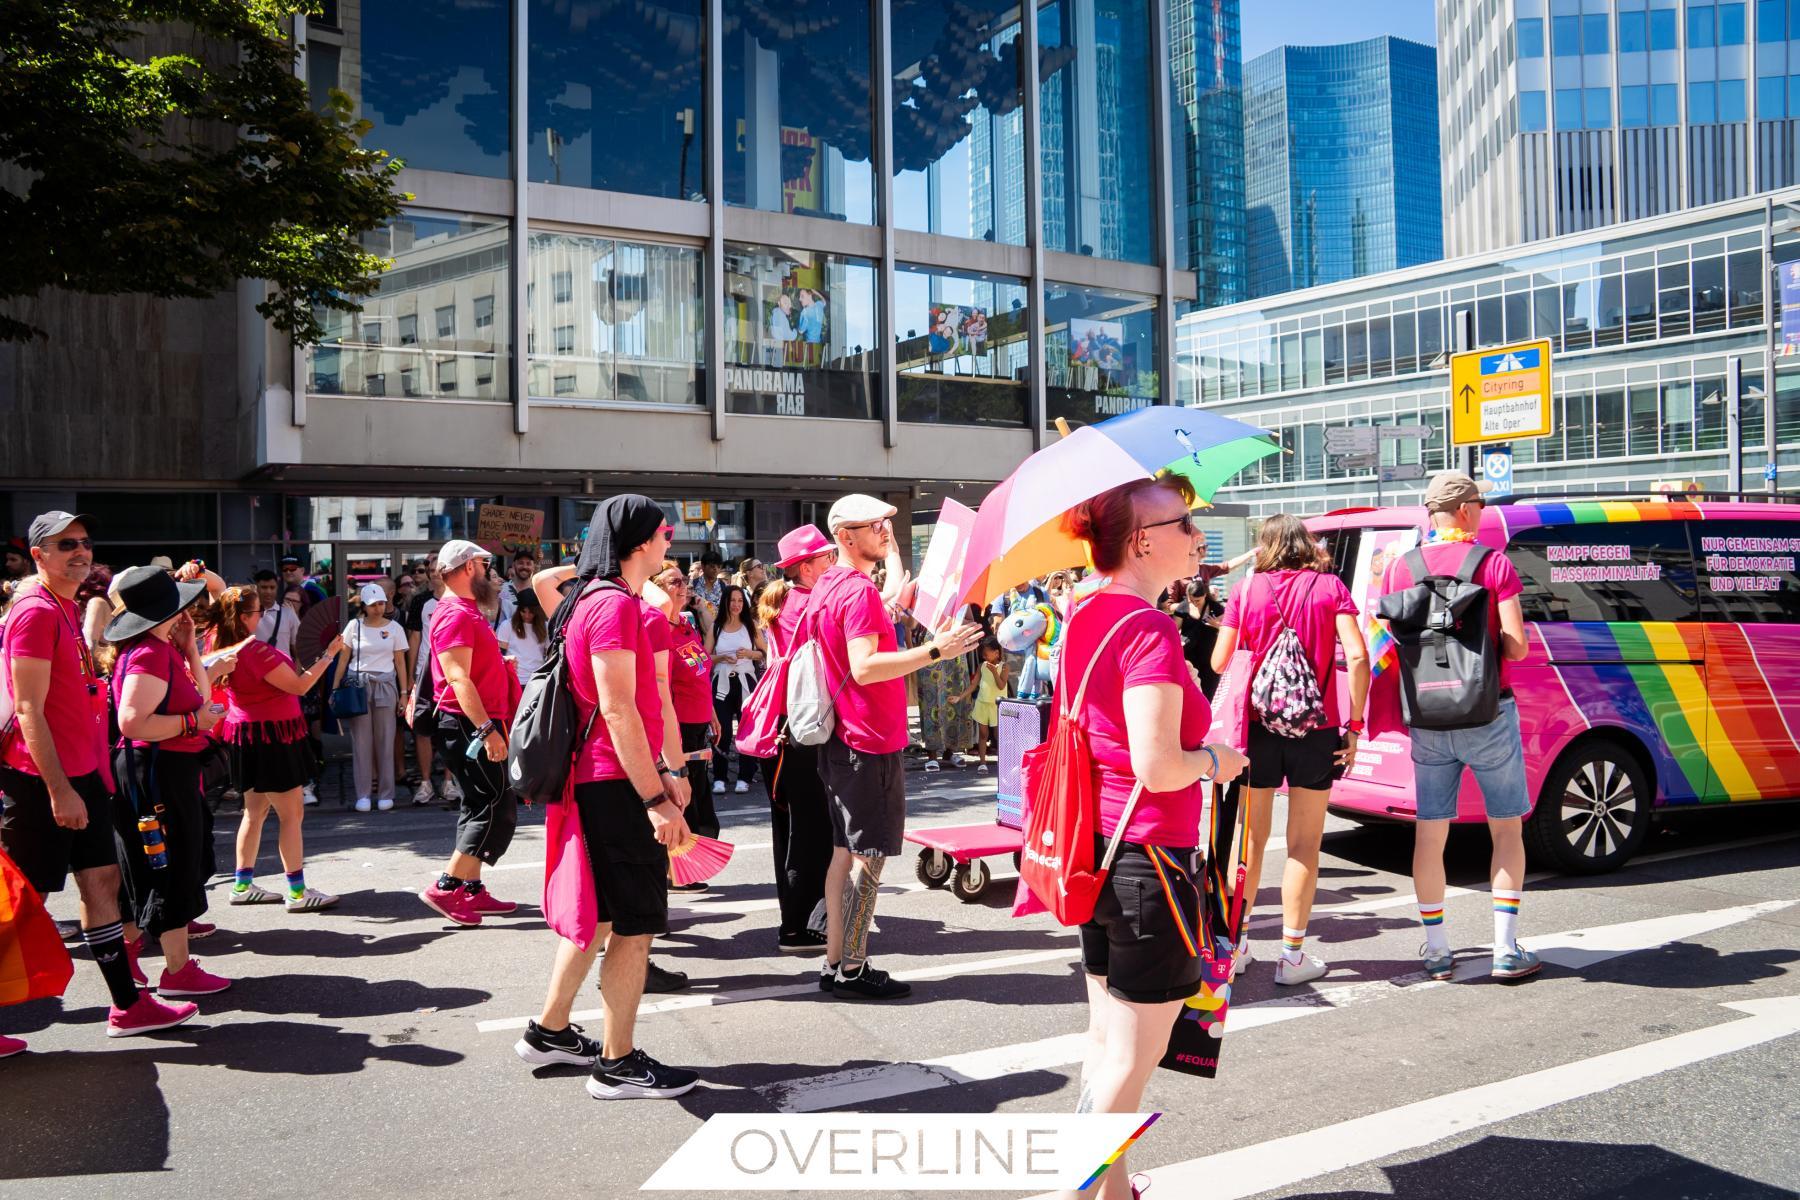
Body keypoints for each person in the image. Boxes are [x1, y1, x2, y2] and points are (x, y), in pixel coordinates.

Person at [1054, 477, 1248, 1200]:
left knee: (1108, 1045)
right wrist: (1217, 760)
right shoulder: (1148, 629)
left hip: (1100, 851)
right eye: (1184, 524)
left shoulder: (1086, 613)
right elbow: (1158, 766)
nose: (1197, 536)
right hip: (1151, 859)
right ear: (1141, 541)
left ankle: (1113, 1193)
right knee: (1132, 1060)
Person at [514, 495, 699, 1099]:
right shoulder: (613, 604)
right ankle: (618, 1065)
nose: (670, 539)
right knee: (634, 928)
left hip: (601, 779)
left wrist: (662, 773)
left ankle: (550, 1030)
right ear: (640, 541)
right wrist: (655, 798)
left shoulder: (589, 599)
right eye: (664, 531)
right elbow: (618, 709)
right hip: (614, 784)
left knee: (600, 919)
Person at [0, 513, 200, 1037]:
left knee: (102, 883)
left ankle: (128, 1006)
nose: (80, 552)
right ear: (38, 555)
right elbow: (28, 707)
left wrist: (91, 780)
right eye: (66, 544)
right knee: (21, 904)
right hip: (42, 779)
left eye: (85, 543)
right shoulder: (35, 611)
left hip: (82, 775)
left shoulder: (66, 606)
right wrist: (59, 790)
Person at [810, 495, 984, 999]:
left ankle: (836, 964)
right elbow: (864, 667)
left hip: (843, 740)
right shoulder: (856, 591)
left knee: (844, 855)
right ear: (846, 536)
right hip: (868, 742)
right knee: (867, 860)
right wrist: (936, 649)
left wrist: (896, 603)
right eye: (875, 525)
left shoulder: (830, 584)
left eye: (887, 522)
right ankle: (853, 968)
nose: (886, 530)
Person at [1379, 471, 1538, 982]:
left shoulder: (1400, 568)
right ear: (1467, 510)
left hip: (1427, 714)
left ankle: (1437, 950)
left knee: (1430, 833)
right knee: (1506, 827)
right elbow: (1516, 646)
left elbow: (1393, 641)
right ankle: (1505, 949)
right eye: (1481, 505)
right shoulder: (1493, 563)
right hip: (1488, 711)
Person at [1210, 515, 1370, 986]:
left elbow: (1219, 661)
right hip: (1316, 729)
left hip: (1257, 731)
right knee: (1304, 845)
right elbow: (1358, 656)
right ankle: (1292, 956)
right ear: (1307, 546)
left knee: (1250, 842)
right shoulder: (1330, 587)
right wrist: (1354, 726)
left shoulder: (1247, 590)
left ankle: (1236, 947)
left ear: (1264, 548)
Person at [106, 565, 237, 998]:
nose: (189, 612)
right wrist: (190, 723)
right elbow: (131, 722)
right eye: (181, 605)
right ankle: (177, 972)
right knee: (170, 866)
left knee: (156, 864)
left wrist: (191, 649)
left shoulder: (159, 648)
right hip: (158, 771)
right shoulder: (149, 652)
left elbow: (202, 702)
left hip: (162, 768)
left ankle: (146, 961)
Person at [209, 585, 344, 912]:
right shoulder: (255, 652)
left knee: (254, 812)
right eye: (259, 611)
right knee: (291, 814)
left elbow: (217, 588)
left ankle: (242, 885)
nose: (262, 616)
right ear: (244, 617)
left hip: (247, 735)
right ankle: (297, 892)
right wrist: (329, 655)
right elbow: (300, 685)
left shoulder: (222, 646)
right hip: (271, 739)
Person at [419, 539, 521, 926]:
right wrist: (487, 729)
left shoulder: (465, 610)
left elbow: (468, 668)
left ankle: (471, 889)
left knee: (478, 803)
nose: (490, 573)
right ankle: (446, 887)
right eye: (484, 565)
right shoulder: (455, 613)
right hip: (469, 725)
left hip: (474, 723)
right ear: (467, 568)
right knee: (492, 805)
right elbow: (457, 677)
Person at [761, 524, 837, 954]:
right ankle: (800, 927)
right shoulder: (810, 603)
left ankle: (795, 920)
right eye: (827, 557)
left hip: (782, 729)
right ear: (806, 567)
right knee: (812, 831)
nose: (833, 563)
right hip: (802, 729)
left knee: (791, 830)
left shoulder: (785, 601)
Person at [653, 566, 718, 840]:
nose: (683, 586)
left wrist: (711, 712)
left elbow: (699, 671)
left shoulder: (685, 623)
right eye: (674, 582)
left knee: (702, 803)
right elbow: (659, 688)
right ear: (657, 589)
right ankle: (682, 859)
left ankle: (694, 855)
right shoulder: (657, 627)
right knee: (688, 805)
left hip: (699, 724)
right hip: (679, 729)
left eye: (684, 581)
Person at [330, 583, 408, 813]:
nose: (378, 608)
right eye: (373, 604)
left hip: (385, 684)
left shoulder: (395, 628)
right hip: (358, 686)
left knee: (386, 740)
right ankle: (363, 794)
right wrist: (335, 688)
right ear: (364, 605)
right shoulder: (353, 626)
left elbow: (400, 662)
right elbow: (343, 659)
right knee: (361, 742)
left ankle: (386, 793)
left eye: (381, 603)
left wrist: (404, 694)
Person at [403, 552, 452, 807]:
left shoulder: (457, 599)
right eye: (430, 572)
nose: (434, 575)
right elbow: (414, 638)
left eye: (437, 571)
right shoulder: (420, 601)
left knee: (449, 728)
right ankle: (425, 783)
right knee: (422, 729)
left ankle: (449, 781)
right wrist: (411, 675)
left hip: (450, 673)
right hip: (425, 674)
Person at [707, 584, 764, 795]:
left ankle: (745, 776)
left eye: (740, 600)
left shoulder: (751, 626)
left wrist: (749, 654)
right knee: (721, 730)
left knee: (746, 729)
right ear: (725, 602)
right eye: (732, 600)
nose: (736, 605)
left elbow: (764, 652)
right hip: (721, 682)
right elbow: (705, 657)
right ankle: (719, 777)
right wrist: (721, 657)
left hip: (745, 682)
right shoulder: (716, 627)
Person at [913, 615, 972, 772]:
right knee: (931, 700)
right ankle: (932, 754)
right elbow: (913, 622)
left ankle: (950, 750)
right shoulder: (926, 598)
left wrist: (957, 621)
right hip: (931, 645)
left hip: (955, 646)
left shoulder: (961, 600)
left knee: (954, 698)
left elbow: (970, 620)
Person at [966, 637, 1006, 770]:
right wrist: (960, 697)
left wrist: (994, 672)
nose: (984, 657)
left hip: (997, 706)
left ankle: (1004, 761)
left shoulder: (1004, 667)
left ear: (996, 653)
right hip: (982, 704)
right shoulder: (982, 666)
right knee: (983, 735)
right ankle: (982, 762)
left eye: (986, 654)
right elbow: (973, 685)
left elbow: (1001, 685)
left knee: (999, 734)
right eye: (983, 654)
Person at [496, 587, 550, 684]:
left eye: (531, 612)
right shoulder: (507, 625)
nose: (527, 615)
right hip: (514, 679)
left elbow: (549, 654)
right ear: (518, 610)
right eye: (523, 611)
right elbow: (500, 654)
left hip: (537, 679)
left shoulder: (545, 627)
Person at [252, 568, 299, 660]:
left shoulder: (288, 614)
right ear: (256, 588)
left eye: (272, 587)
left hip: (284, 667)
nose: (268, 591)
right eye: (264, 587)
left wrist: (297, 669)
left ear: (277, 588)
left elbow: (298, 649)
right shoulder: (247, 615)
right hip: (254, 667)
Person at [498, 550, 537, 626]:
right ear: (513, 565)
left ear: (533, 567)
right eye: (520, 563)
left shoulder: (538, 590)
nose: (524, 567)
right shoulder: (502, 589)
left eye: (528, 564)